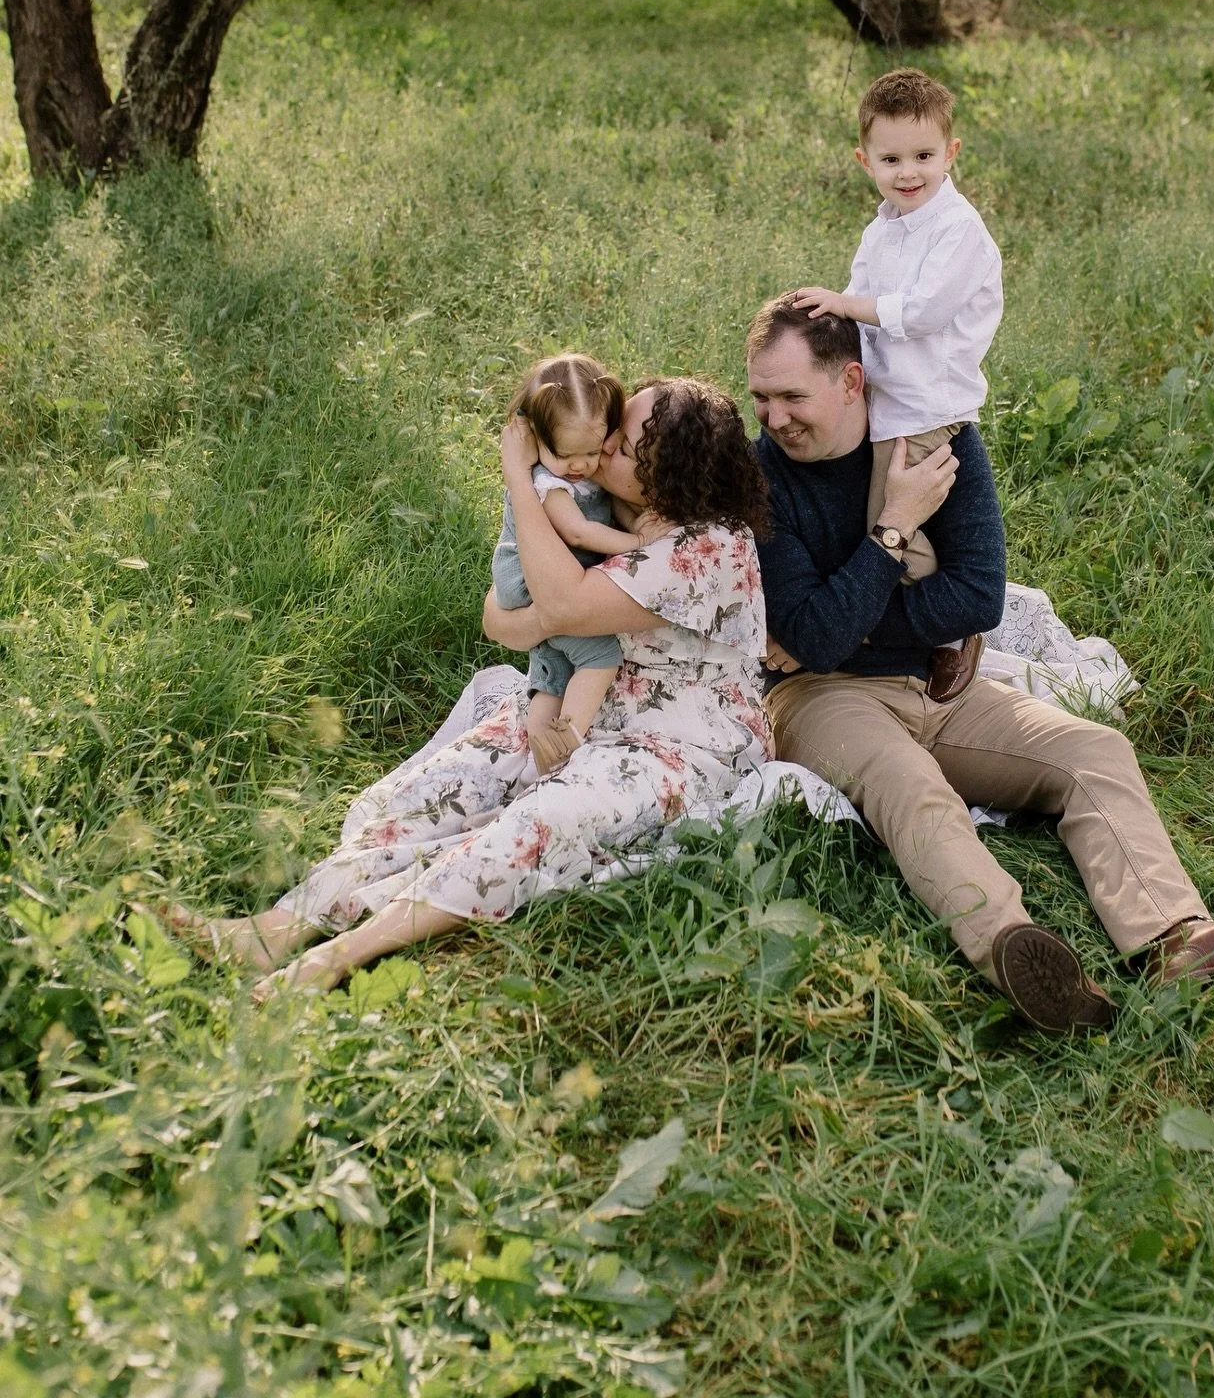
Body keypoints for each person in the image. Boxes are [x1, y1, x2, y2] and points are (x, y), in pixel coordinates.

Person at [745, 295, 1214, 1034]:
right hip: (821, 695)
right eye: (761, 399)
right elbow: (819, 644)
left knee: (1091, 750)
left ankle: (1174, 938)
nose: (773, 419)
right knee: (913, 786)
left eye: (790, 397)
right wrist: (893, 529)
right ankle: (1015, 952)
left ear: (849, 381)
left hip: (939, 685)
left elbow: (976, 597)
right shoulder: (761, 479)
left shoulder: (939, 442)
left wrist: (843, 621)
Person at [159, 378, 774, 997]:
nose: (606, 441)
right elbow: (499, 615)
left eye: (624, 444)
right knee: (445, 786)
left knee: (541, 820)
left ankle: (339, 956)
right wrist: (545, 569)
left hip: (681, 748)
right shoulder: (598, 504)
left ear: (668, 470)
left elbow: (558, 604)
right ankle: (273, 928)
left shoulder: (715, 547)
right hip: (585, 706)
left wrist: (520, 478)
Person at [792, 66, 1001, 586]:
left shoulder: (959, 231)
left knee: (889, 532)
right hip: (881, 402)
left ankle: (940, 625)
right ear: (866, 162)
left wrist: (844, 302)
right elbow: (854, 315)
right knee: (841, 511)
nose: (908, 172)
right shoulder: (879, 231)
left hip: (923, 407)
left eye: (923, 157)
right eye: (891, 160)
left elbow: (921, 312)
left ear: (950, 152)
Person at [491, 354, 638, 776]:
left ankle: (535, 759)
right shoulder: (548, 483)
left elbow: (607, 509)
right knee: (600, 656)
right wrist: (639, 543)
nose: (581, 466)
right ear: (534, 437)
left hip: (542, 582)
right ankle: (568, 741)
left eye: (593, 451)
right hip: (527, 580)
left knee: (553, 677)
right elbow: (578, 532)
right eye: (567, 454)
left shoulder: (575, 472)